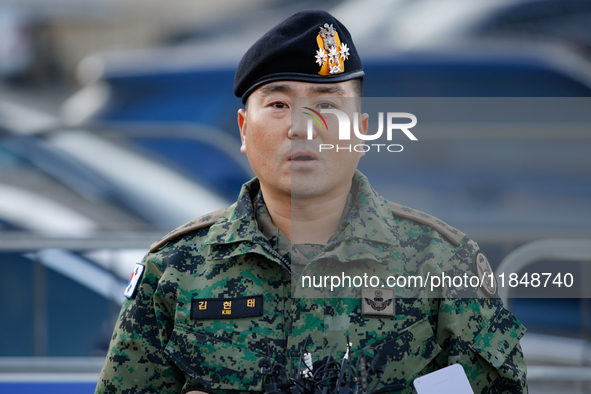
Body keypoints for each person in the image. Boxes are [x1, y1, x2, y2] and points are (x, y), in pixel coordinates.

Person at [95, 10, 527, 394]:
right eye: (280, 103)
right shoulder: (174, 271)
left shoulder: (443, 265)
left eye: (327, 104)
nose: (303, 127)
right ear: (244, 129)